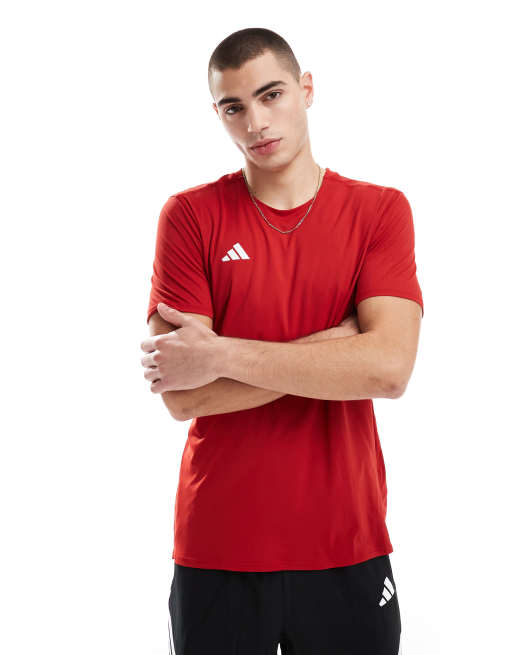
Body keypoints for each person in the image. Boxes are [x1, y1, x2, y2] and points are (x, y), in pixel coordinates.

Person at [141, 26, 423, 655]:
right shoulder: (189, 217)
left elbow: (388, 370)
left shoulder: (379, 212)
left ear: (306, 88)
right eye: (233, 107)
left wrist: (219, 355)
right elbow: (183, 396)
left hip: (346, 539)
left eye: (271, 95)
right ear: (218, 114)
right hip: (219, 544)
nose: (256, 123)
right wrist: (335, 350)